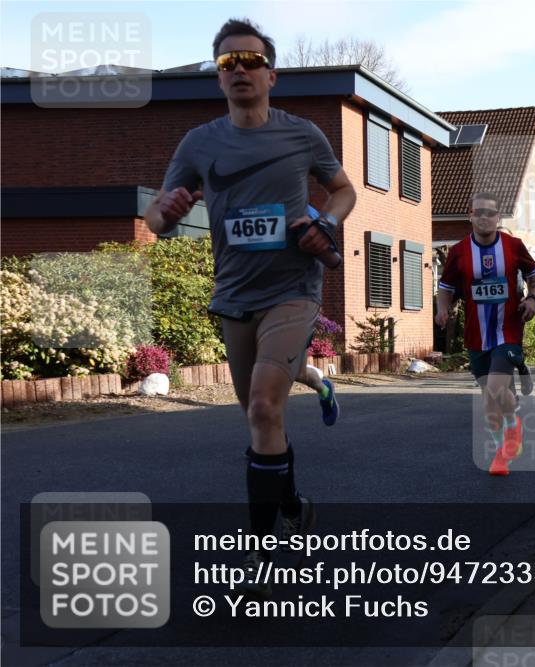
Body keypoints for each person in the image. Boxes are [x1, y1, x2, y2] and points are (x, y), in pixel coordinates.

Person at [144, 18, 357, 596]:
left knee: (264, 404)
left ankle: (259, 551)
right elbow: (158, 221)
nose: (239, 70)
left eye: (250, 61)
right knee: (260, 420)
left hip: (293, 288)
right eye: (226, 64)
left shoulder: (303, 134)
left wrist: (323, 222)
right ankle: (292, 503)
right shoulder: (199, 143)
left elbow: (344, 191)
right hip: (234, 296)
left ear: (271, 74)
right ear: (218, 78)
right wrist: (166, 209)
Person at [435, 192, 535, 477]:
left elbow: (534, 274)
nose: (484, 217)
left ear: (498, 218)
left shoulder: (513, 246)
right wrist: (442, 311)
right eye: (478, 213)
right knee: (489, 397)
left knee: (495, 388)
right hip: (476, 333)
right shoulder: (458, 252)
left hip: (508, 327)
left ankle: (507, 442)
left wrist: (532, 299)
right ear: (470, 216)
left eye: (490, 213)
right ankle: (502, 441)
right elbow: (444, 288)